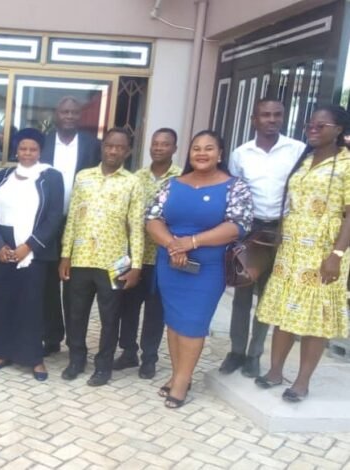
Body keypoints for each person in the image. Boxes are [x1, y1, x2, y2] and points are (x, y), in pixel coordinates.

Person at [146, 130, 253, 409]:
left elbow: (237, 226)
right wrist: (173, 245)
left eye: (209, 149)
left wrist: (192, 242)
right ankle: (176, 373)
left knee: (193, 323)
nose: (202, 153)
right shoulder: (173, 184)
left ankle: (182, 381)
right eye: (196, 149)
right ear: (189, 153)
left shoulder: (234, 186)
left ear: (220, 154)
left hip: (208, 267)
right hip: (171, 262)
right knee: (174, 320)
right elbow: (152, 218)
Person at [255, 105, 350, 402]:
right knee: (284, 311)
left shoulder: (347, 163)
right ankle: (274, 371)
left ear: (338, 130)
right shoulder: (304, 159)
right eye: (310, 124)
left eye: (321, 126)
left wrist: (336, 254)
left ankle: (302, 381)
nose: (313, 129)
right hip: (292, 248)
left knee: (316, 317)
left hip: (325, 251)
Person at [221, 99, 306, 378]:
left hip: (283, 229)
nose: (271, 119)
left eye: (277, 115)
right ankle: (236, 351)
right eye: (265, 115)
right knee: (242, 293)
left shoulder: (297, 150)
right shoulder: (240, 154)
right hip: (250, 230)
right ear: (253, 119)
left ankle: (254, 355)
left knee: (269, 297)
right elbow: (235, 193)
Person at [59, 128, 143, 387]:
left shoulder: (132, 182)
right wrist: (65, 255)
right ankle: (76, 359)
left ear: (127, 151)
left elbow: (137, 225)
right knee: (75, 313)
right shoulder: (83, 177)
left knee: (110, 317)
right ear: (102, 147)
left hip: (115, 263)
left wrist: (136, 265)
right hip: (81, 259)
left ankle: (103, 365)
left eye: (120, 147)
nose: (113, 151)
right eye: (109, 145)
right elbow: (73, 217)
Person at [0, 128, 64, 381]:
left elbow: (53, 218)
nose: (27, 153)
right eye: (23, 149)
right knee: (4, 301)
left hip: (35, 252)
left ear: (40, 151)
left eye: (33, 149)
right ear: (16, 150)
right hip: (5, 249)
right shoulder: (3, 175)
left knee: (32, 306)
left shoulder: (51, 176)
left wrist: (28, 246)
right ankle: (2, 352)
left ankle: (34, 358)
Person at [115, 128, 182, 379]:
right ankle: (128, 351)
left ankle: (149, 357)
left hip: (162, 257)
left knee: (156, 310)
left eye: (165, 144)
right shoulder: (137, 177)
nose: (158, 148)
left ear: (174, 148)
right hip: (135, 255)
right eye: (155, 143)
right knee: (128, 306)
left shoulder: (181, 179)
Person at [39, 96, 101, 356]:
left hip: (80, 223)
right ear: (56, 114)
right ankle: (51, 336)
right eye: (64, 112)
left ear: (80, 116)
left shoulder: (92, 145)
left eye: (74, 113)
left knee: (74, 283)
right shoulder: (43, 143)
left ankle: (75, 342)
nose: (69, 116)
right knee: (47, 282)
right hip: (46, 221)